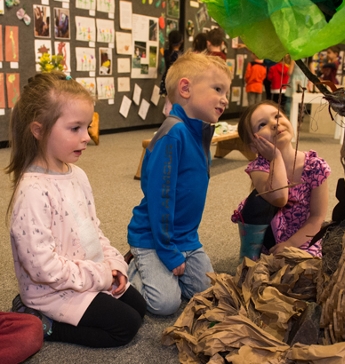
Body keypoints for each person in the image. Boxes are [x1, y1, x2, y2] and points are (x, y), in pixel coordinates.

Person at [5, 72, 146, 347]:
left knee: (138, 307)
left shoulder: (78, 175)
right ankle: (44, 323)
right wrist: (101, 276)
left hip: (88, 274)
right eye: (75, 128)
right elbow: (43, 269)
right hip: (52, 290)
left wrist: (114, 265)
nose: (88, 137)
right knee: (125, 327)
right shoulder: (32, 191)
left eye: (88, 126)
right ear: (38, 130)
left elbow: (94, 229)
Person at [127, 51, 232, 315]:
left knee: (211, 292)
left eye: (226, 92)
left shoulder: (198, 132)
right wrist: (168, 252)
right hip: (153, 237)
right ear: (185, 88)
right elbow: (160, 200)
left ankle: (164, 271)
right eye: (218, 89)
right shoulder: (173, 133)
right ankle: (132, 266)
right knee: (165, 304)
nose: (225, 99)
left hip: (186, 238)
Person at [232, 100, 331, 258]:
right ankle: (248, 252)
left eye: (277, 116)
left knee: (303, 270)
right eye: (262, 124)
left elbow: (317, 217)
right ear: (253, 146)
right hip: (268, 236)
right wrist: (275, 157)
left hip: (302, 236)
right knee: (263, 273)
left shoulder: (315, 166)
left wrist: (290, 244)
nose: (274, 123)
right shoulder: (259, 167)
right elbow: (279, 198)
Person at [159, 30, 184, 116]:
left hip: (167, 79)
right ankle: (174, 121)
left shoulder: (167, 53)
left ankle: (169, 120)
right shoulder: (181, 55)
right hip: (176, 80)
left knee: (168, 104)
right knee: (177, 103)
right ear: (181, 41)